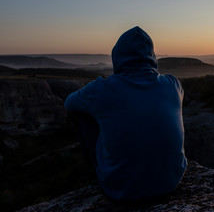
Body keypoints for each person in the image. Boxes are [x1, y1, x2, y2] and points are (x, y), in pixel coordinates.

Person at [64, 26, 187, 201]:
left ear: (118, 56)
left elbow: (69, 103)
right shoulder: (172, 84)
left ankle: (102, 171)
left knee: (83, 114)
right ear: (152, 57)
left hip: (123, 190)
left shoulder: (102, 89)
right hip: (171, 182)